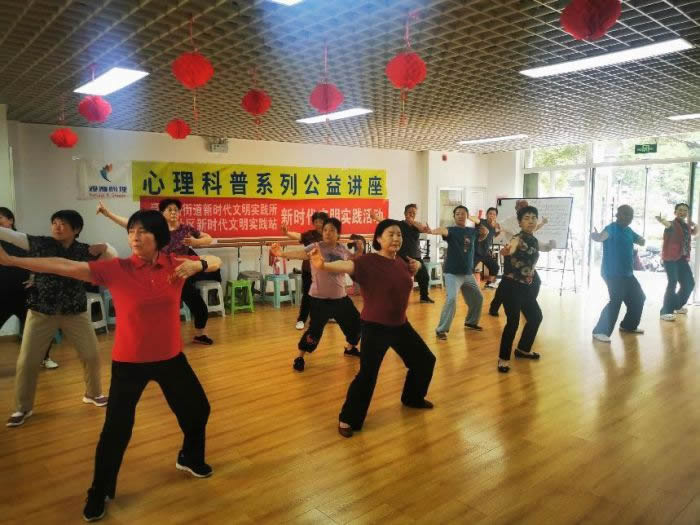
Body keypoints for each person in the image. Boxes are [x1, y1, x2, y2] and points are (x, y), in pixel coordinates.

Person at [0, 210, 222, 521]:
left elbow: (215, 259)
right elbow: (65, 265)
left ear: (159, 237)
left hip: (171, 358)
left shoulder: (175, 264)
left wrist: (198, 264)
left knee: (198, 409)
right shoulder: (117, 269)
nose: (134, 237)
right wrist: (13, 261)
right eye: (131, 231)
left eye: (142, 231)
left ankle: (189, 457)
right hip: (129, 362)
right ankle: (99, 490)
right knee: (116, 430)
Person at [308, 219, 436, 438]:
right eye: (390, 234)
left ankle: (412, 398)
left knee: (425, 360)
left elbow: (412, 273)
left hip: (400, 325)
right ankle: (348, 418)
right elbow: (347, 265)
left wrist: (418, 266)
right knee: (367, 375)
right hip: (375, 327)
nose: (396, 238)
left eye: (398, 234)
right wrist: (324, 266)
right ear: (378, 238)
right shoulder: (368, 261)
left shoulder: (403, 261)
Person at [1, 210, 116, 427]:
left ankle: (93, 393)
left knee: (91, 355)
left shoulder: (84, 250)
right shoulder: (41, 243)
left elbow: (113, 258)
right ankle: (22, 407)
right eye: (54, 222)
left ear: (76, 229)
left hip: (75, 312)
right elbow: (12, 236)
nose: (57, 226)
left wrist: (106, 246)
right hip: (41, 312)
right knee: (27, 361)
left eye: (62, 223)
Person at [97, 199, 216, 345]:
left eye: (176, 210)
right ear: (162, 213)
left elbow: (208, 238)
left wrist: (196, 242)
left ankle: (200, 335)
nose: (173, 212)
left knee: (199, 306)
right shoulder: (156, 229)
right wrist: (108, 214)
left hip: (180, 274)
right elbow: (129, 223)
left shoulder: (186, 229)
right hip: (158, 274)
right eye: (169, 210)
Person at [271, 218, 361, 372]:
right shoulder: (315, 247)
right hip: (319, 300)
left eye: (332, 230)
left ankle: (350, 348)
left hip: (340, 298)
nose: (327, 233)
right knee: (314, 332)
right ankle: (300, 357)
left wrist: (359, 251)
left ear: (338, 233)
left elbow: (352, 261)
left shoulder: (342, 249)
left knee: (356, 324)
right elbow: (300, 253)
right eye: (325, 230)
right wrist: (281, 253)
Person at [496, 206, 555, 373]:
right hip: (511, 287)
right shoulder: (517, 238)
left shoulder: (533, 239)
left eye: (533, 218)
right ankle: (503, 358)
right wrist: (506, 251)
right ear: (520, 222)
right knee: (513, 322)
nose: (531, 221)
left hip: (527, 287)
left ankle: (523, 349)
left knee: (535, 317)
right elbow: (511, 247)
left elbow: (542, 246)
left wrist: (551, 244)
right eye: (527, 218)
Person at [0, 208, 58, 369]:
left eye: (0, 217)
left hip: (25, 295)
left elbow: (38, 261)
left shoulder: (22, 240)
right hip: (2, 295)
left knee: (37, 330)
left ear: (11, 220)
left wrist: (34, 276)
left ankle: (44, 358)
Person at [591, 205, 646, 342]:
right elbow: (601, 237)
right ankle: (600, 331)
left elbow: (639, 240)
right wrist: (596, 236)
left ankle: (628, 325)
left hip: (627, 274)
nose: (628, 218)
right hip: (612, 273)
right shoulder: (611, 229)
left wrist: (641, 240)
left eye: (630, 215)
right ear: (617, 215)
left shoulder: (628, 230)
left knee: (639, 297)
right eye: (625, 214)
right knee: (616, 300)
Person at [432, 206, 487, 339]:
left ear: (467, 216)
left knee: (478, 298)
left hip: (467, 273)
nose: (460, 216)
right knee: (451, 299)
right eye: (457, 214)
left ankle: (471, 322)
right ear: (454, 217)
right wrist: (434, 231)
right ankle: (441, 329)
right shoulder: (451, 230)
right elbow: (443, 231)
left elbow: (485, 232)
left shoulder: (472, 231)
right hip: (452, 273)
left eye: (463, 214)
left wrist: (477, 221)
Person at [489, 199, 547, 316]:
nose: (523, 208)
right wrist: (492, 222)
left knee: (536, 282)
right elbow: (498, 225)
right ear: (516, 208)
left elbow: (533, 228)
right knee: (505, 284)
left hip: (525, 258)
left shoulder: (528, 221)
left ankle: (527, 305)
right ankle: (494, 307)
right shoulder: (510, 220)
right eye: (521, 206)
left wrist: (543, 223)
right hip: (511, 256)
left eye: (525, 206)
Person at [371, 205, 434, 303]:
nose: (411, 214)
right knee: (398, 279)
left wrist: (413, 222)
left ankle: (424, 297)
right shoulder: (399, 224)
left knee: (424, 277)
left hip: (416, 257)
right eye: (409, 212)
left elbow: (423, 229)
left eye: (414, 213)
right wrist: (376, 217)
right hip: (402, 257)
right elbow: (386, 221)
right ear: (405, 213)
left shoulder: (416, 225)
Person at [281, 211, 329, 330]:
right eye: (316, 221)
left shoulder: (329, 234)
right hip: (308, 270)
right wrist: (287, 232)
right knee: (307, 295)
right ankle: (301, 319)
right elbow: (298, 236)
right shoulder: (309, 235)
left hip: (323, 270)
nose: (318, 224)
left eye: (320, 221)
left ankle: (323, 317)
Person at [656, 203, 697, 320]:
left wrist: (695, 224)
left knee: (689, 283)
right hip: (670, 259)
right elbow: (668, 225)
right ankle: (665, 312)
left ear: (687, 213)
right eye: (680, 210)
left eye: (685, 210)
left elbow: (695, 232)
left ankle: (676, 305)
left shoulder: (686, 226)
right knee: (672, 282)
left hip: (682, 259)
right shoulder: (672, 224)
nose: (682, 212)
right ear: (675, 212)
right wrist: (662, 220)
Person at [474, 207, 501, 289]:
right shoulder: (482, 222)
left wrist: (499, 230)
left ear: (496, 216)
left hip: (485, 253)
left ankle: (489, 284)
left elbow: (494, 235)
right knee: (468, 269)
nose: (492, 216)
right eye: (490, 214)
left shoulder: (494, 226)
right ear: (486, 215)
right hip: (475, 252)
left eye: (494, 214)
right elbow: (476, 220)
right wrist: (467, 216)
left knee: (495, 267)